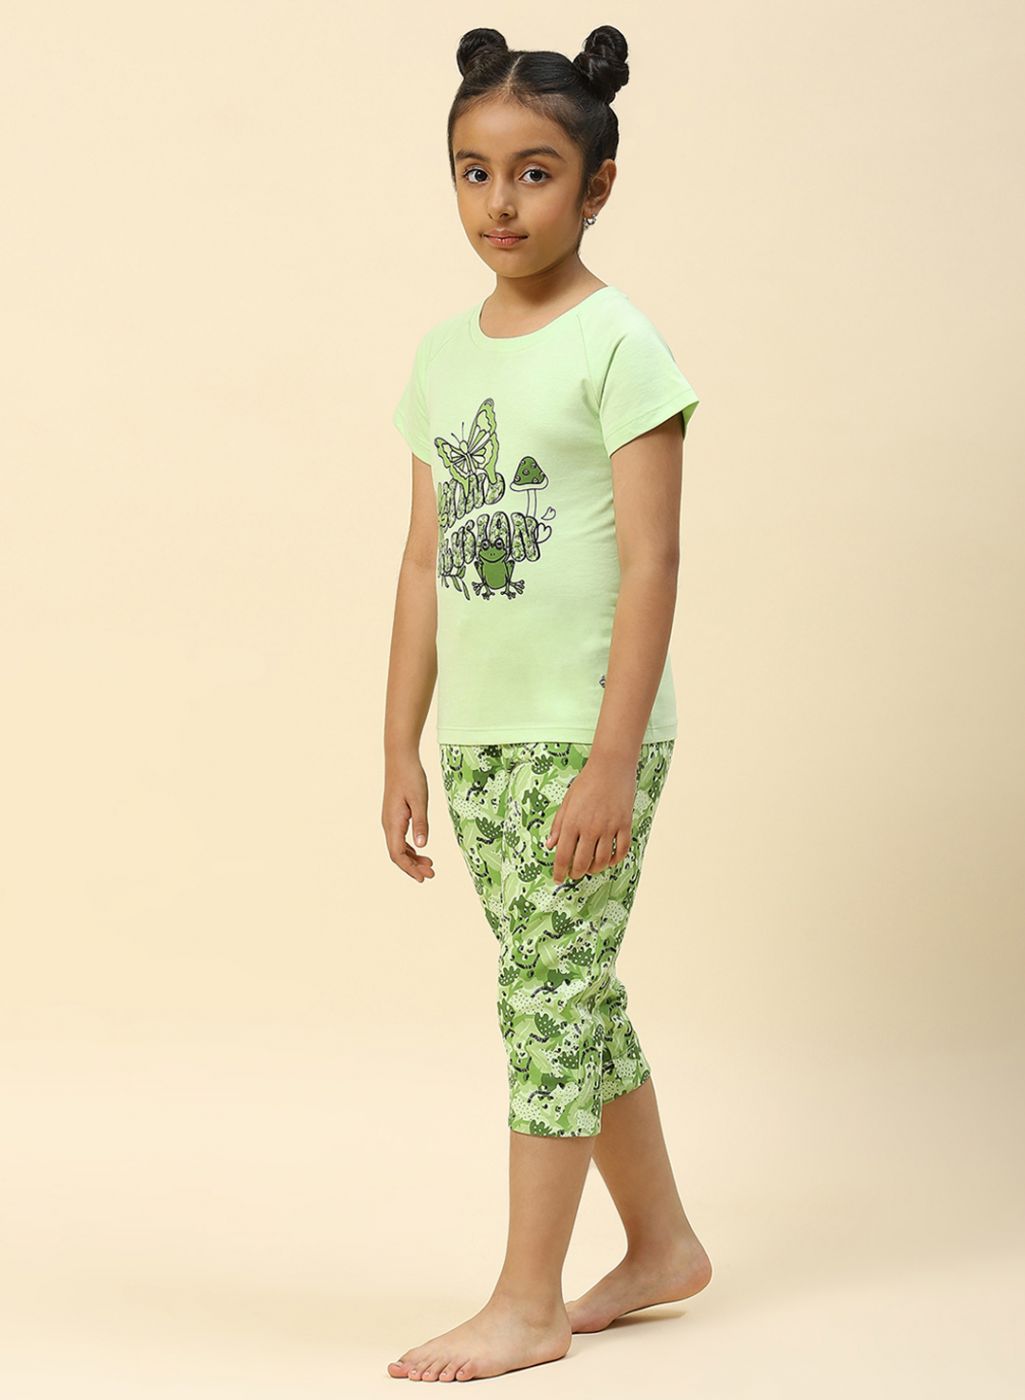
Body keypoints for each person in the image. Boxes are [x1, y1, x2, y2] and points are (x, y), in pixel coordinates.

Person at [382, 24, 712, 1384]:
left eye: (533, 173)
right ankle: (663, 1247)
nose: (500, 204)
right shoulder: (439, 356)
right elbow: (422, 559)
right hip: (480, 739)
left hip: (585, 735)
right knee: (565, 983)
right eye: (474, 172)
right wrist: (398, 743)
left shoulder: (619, 343)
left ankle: (527, 1302)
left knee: (548, 990)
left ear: (596, 185)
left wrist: (610, 759)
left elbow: (653, 559)